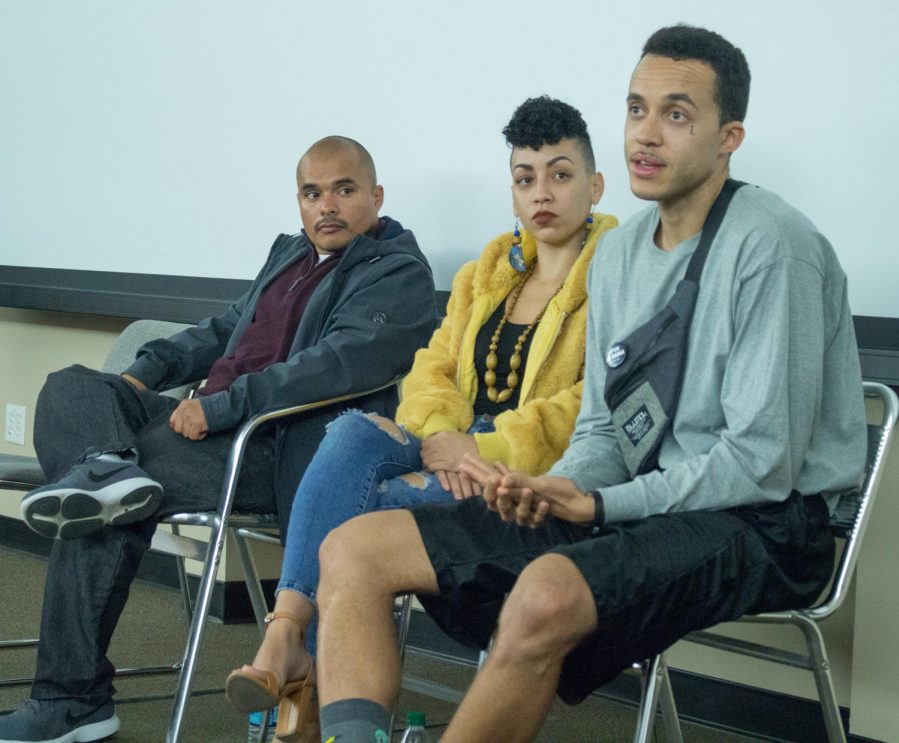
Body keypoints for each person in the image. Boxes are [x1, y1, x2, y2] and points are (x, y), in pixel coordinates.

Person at [310, 25, 868, 743]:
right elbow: (606, 428)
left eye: (676, 114)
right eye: (636, 109)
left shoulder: (775, 247)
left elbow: (760, 463)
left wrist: (598, 501)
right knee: (355, 547)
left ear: (729, 136)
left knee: (545, 589)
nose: (647, 134)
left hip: (767, 522)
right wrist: (555, 490)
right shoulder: (619, 255)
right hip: (649, 503)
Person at [0, 136, 437, 743]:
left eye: (344, 190)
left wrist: (223, 405)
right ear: (299, 201)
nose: (327, 206)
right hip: (203, 422)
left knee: (102, 498)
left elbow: (337, 365)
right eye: (313, 193)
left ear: (375, 195)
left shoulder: (396, 273)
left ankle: (71, 699)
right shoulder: (291, 256)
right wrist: (146, 372)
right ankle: (105, 466)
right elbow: (226, 328)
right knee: (71, 388)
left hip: (265, 443)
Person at [222, 96, 617, 741]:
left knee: (363, 507)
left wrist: (485, 449)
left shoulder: (622, 274)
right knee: (350, 432)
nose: (541, 193)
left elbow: (595, 400)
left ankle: (313, 686)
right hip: (454, 448)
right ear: (512, 191)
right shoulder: (485, 272)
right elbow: (432, 367)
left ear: (594, 185)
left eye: (560, 174)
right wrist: (442, 438)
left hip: (528, 471)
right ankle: (289, 631)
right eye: (525, 178)